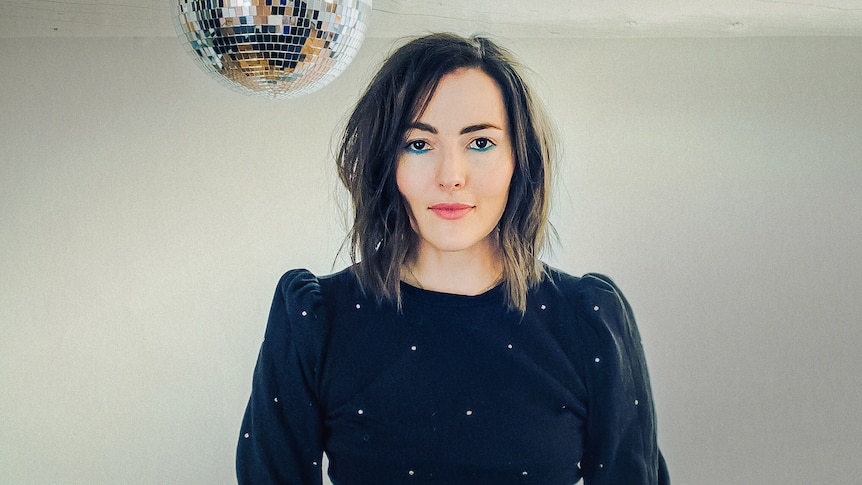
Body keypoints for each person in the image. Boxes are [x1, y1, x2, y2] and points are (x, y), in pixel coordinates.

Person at [236, 32, 669, 484]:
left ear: (519, 160)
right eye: (419, 144)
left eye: (480, 142)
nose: (451, 177)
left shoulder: (588, 319)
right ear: (388, 162)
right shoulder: (315, 319)